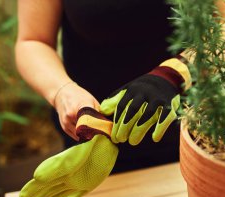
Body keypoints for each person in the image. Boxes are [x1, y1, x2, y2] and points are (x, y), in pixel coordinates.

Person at [15, 0, 191, 173]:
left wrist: (172, 74)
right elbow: (33, 41)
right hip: (91, 139)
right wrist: (63, 92)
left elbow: (218, 29)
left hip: (190, 137)